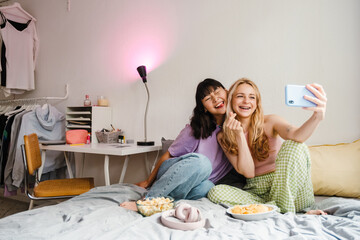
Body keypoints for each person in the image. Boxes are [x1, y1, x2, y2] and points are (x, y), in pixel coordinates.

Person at [121, 78, 244, 211]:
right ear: (204, 108)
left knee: (208, 187)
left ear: (226, 92)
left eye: (217, 91)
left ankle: (165, 202)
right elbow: (168, 155)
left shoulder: (239, 127)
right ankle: (148, 201)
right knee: (202, 162)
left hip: (196, 183)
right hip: (175, 170)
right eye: (208, 98)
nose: (215, 99)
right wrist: (148, 181)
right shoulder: (196, 129)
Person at [207, 78, 327, 214]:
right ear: (231, 100)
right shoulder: (224, 135)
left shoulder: (271, 121)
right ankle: (274, 208)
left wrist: (317, 117)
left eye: (252, 97)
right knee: (215, 192)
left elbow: (297, 135)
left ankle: (280, 211)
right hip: (257, 193)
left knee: (294, 145)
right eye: (240, 96)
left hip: (289, 188)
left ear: (257, 103)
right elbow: (249, 172)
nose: (246, 101)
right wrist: (239, 135)